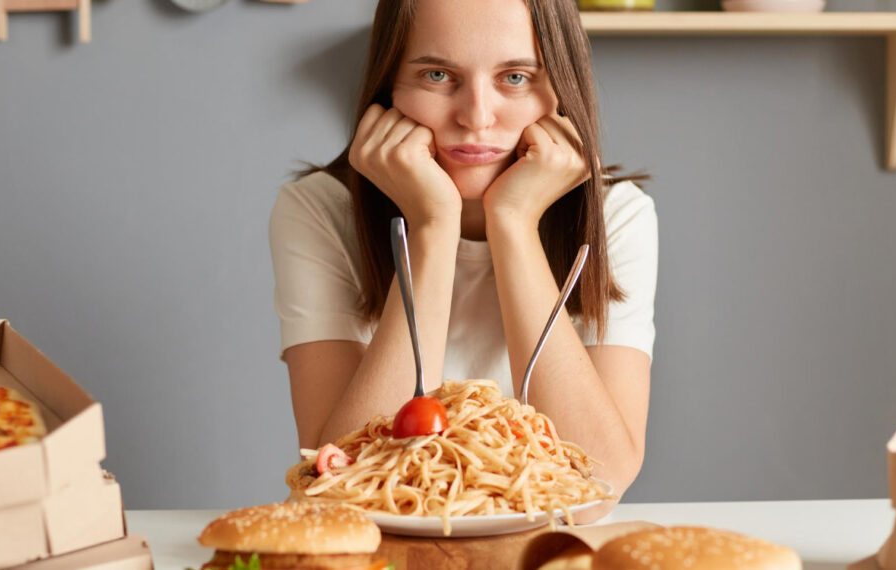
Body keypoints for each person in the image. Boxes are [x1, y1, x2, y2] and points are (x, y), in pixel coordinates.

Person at [269, 0, 657, 522]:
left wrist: (514, 224)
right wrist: (432, 228)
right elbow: (344, 483)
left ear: (562, 87)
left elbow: (597, 489)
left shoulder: (619, 216)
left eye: (516, 77)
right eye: (437, 75)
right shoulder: (318, 210)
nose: (476, 116)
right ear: (388, 88)